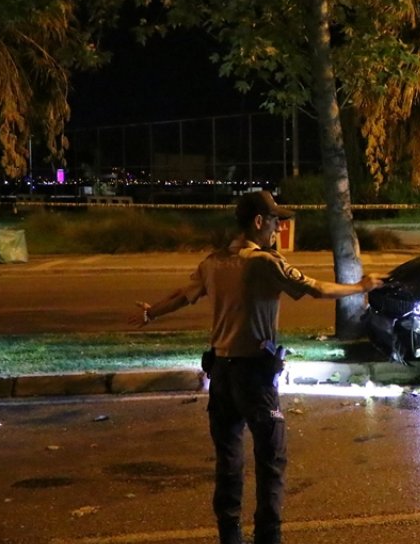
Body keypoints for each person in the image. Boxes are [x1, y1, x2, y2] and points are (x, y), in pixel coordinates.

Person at [129, 190, 381, 544]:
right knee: (271, 460)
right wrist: (360, 286)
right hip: (254, 377)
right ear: (259, 222)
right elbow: (316, 289)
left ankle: (229, 535)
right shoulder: (264, 263)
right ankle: (268, 537)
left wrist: (150, 312)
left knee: (228, 461)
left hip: (221, 375)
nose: (279, 228)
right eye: (276, 221)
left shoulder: (213, 262)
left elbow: (183, 295)